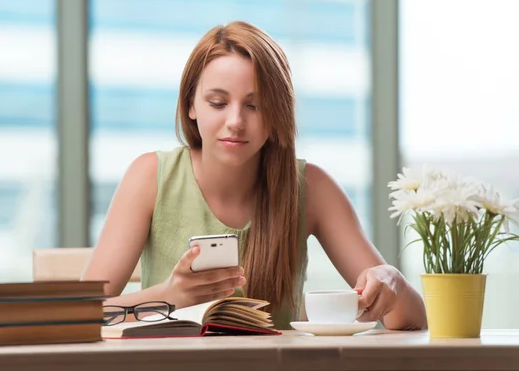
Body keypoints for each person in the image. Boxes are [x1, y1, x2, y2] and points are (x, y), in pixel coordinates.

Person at [82, 21, 427, 331]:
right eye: (218, 102)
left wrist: (390, 280)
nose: (236, 121)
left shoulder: (312, 187)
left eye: (255, 105)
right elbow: (80, 313)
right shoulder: (150, 177)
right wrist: (169, 297)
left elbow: (411, 319)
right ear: (191, 106)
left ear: (277, 112)